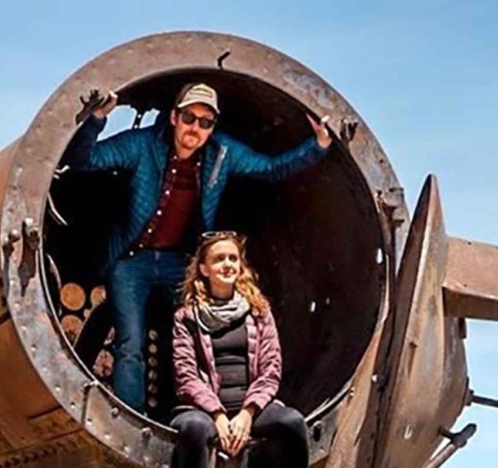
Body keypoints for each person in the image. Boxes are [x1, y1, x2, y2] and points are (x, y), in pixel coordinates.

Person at [62, 82, 333, 413]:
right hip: (133, 261)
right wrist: (96, 120)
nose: (196, 128)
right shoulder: (143, 144)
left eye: (206, 122)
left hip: (181, 263)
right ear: (174, 117)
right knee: (129, 343)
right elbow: (82, 159)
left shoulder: (222, 154)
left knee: (194, 341)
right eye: (190, 117)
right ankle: (132, 417)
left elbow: (271, 168)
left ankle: (194, 415)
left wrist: (317, 146)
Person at [169, 231, 309, 468]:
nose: (228, 264)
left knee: (292, 423)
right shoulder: (186, 318)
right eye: (219, 259)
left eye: (233, 258)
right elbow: (186, 374)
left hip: (251, 408)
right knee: (191, 429)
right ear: (203, 269)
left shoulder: (259, 313)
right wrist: (217, 413)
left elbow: (271, 370)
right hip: (204, 409)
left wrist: (247, 413)